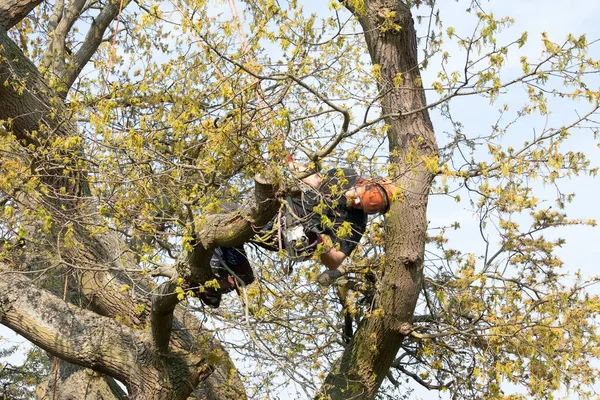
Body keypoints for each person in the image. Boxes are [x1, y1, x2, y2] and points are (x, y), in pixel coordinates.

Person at [198, 163, 398, 308]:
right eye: (358, 198)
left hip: (294, 236)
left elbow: (336, 260)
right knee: (221, 215)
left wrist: (320, 243)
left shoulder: (356, 224)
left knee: (224, 224)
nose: (355, 204)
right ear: (365, 183)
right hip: (280, 210)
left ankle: (216, 275)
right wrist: (289, 165)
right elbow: (315, 180)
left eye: (364, 208)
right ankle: (237, 272)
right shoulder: (344, 175)